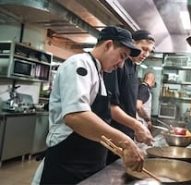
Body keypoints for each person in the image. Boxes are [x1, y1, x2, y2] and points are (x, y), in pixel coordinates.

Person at [31, 26, 145, 185]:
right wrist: (125, 141)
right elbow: (76, 116)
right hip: (67, 165)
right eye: (122, 56)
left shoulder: (99, 74)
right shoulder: (79, 64)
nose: (120, 65)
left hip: (87, 165)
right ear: (108, 45)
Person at [104, 30, 156, 165]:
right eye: (144, 49)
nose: (146, 54)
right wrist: (137, 126)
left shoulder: (133, 67)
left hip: (125, 136)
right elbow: (110, 106)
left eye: (149, 51)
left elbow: (128, 105)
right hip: (112, 136)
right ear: (132, 44)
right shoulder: (117, 65)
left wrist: (134, 129)